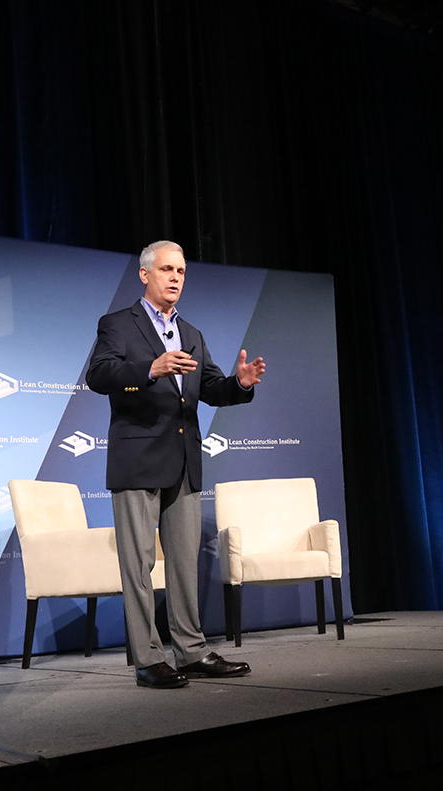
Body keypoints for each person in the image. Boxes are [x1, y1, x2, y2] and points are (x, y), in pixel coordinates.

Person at [85, 240, 266, 689]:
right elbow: (99, 376)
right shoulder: (117, 325)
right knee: (139, 565)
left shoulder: (192, 333)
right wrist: (150, 368)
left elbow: (211, 388)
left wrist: (239, 386)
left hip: (184, 462)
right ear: (145, 275)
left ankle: (191, 651)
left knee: (184, 564)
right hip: (137, 458)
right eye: (167, 269)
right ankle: (148, 658)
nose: (175, 278)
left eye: (181, 271)